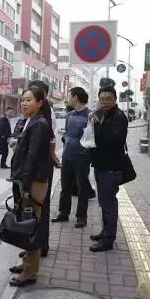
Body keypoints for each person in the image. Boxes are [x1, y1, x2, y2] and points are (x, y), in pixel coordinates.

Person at [8, 87, 53, 287]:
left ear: (40, 103)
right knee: (25, 222)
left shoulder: (40, 124)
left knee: (31, 225)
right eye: (22, 100)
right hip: (24, 180)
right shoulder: (29, 121)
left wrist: (25, 185)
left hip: (32, 181)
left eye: (29, 100)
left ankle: (30, 272)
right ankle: (26, 263)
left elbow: (32, 157)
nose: (24, 103)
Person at [89, 86, 128, 252]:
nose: (104, 101)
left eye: (108, 98)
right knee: (104, 203)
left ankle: (108, 240)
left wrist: (98, 125)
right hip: (102, 166)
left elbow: (114, 142)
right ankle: (105, 232)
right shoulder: (104, 114)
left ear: (115, 100)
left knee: (109, 204)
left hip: (111, 168)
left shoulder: (119, 117)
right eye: (102, 99)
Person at [52, 87, 92, 228]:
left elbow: (92, 138)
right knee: (65, 187)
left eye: (69, 95)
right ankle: (63, 213)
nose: (68, 98)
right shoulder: (69, 115)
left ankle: (81, 217)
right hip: (68, 156)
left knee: (82, 189)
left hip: (82, 158)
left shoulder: (90, 116)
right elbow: (68, 134)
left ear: (75, 97)